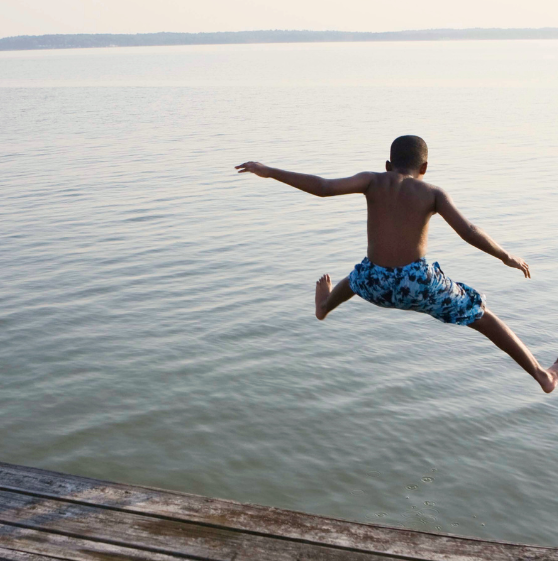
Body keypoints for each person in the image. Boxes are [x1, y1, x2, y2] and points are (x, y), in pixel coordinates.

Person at [236, 136, 558, 393]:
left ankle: (324, 306)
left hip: (374, 284)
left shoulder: (372, 180)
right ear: (425, 167)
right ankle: (541, 375)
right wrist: (506, 256)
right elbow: (469, 232)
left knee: (358, 274)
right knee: (482, 316)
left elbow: (323, 187)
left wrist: (270, 171)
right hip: (417, 285)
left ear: (387, 164)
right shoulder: (432, 192)